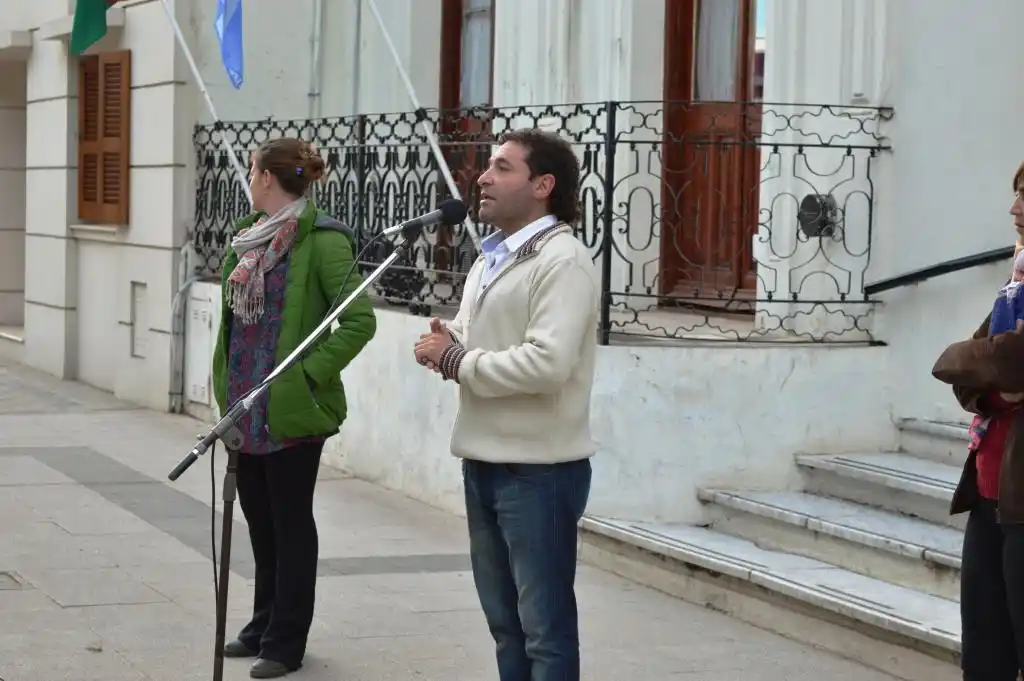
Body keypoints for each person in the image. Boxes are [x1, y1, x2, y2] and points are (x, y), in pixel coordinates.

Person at [413, 128, 599, 681]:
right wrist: (450, 341)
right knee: (505, 625)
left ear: (543, 184)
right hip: (486, 461)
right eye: (488, 167)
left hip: (537, 471)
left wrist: (457, 360)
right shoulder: (493, 257)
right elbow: (482, 340)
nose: (483, 178)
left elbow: (547, 363)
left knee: (544, 630)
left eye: (502, 168)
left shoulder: (561, 260)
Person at [210, 137, 376, 679]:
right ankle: (263, 622)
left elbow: (358, 321)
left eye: (253, 169)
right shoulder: (246, 239)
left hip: (291, 407)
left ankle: (286, 641)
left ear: (265, 177)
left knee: (290, 522)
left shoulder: (324, 242)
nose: (248, 177)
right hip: (245, 403)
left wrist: (306, 375)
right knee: (260, 521)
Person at [932, 160, 1024, 681]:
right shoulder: (1017, 282)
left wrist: (994, 368)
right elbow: (956, 366)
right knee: (985, 660)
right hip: (989, 496)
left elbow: (1012, 359)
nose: (1014, 209)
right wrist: (998, 391)